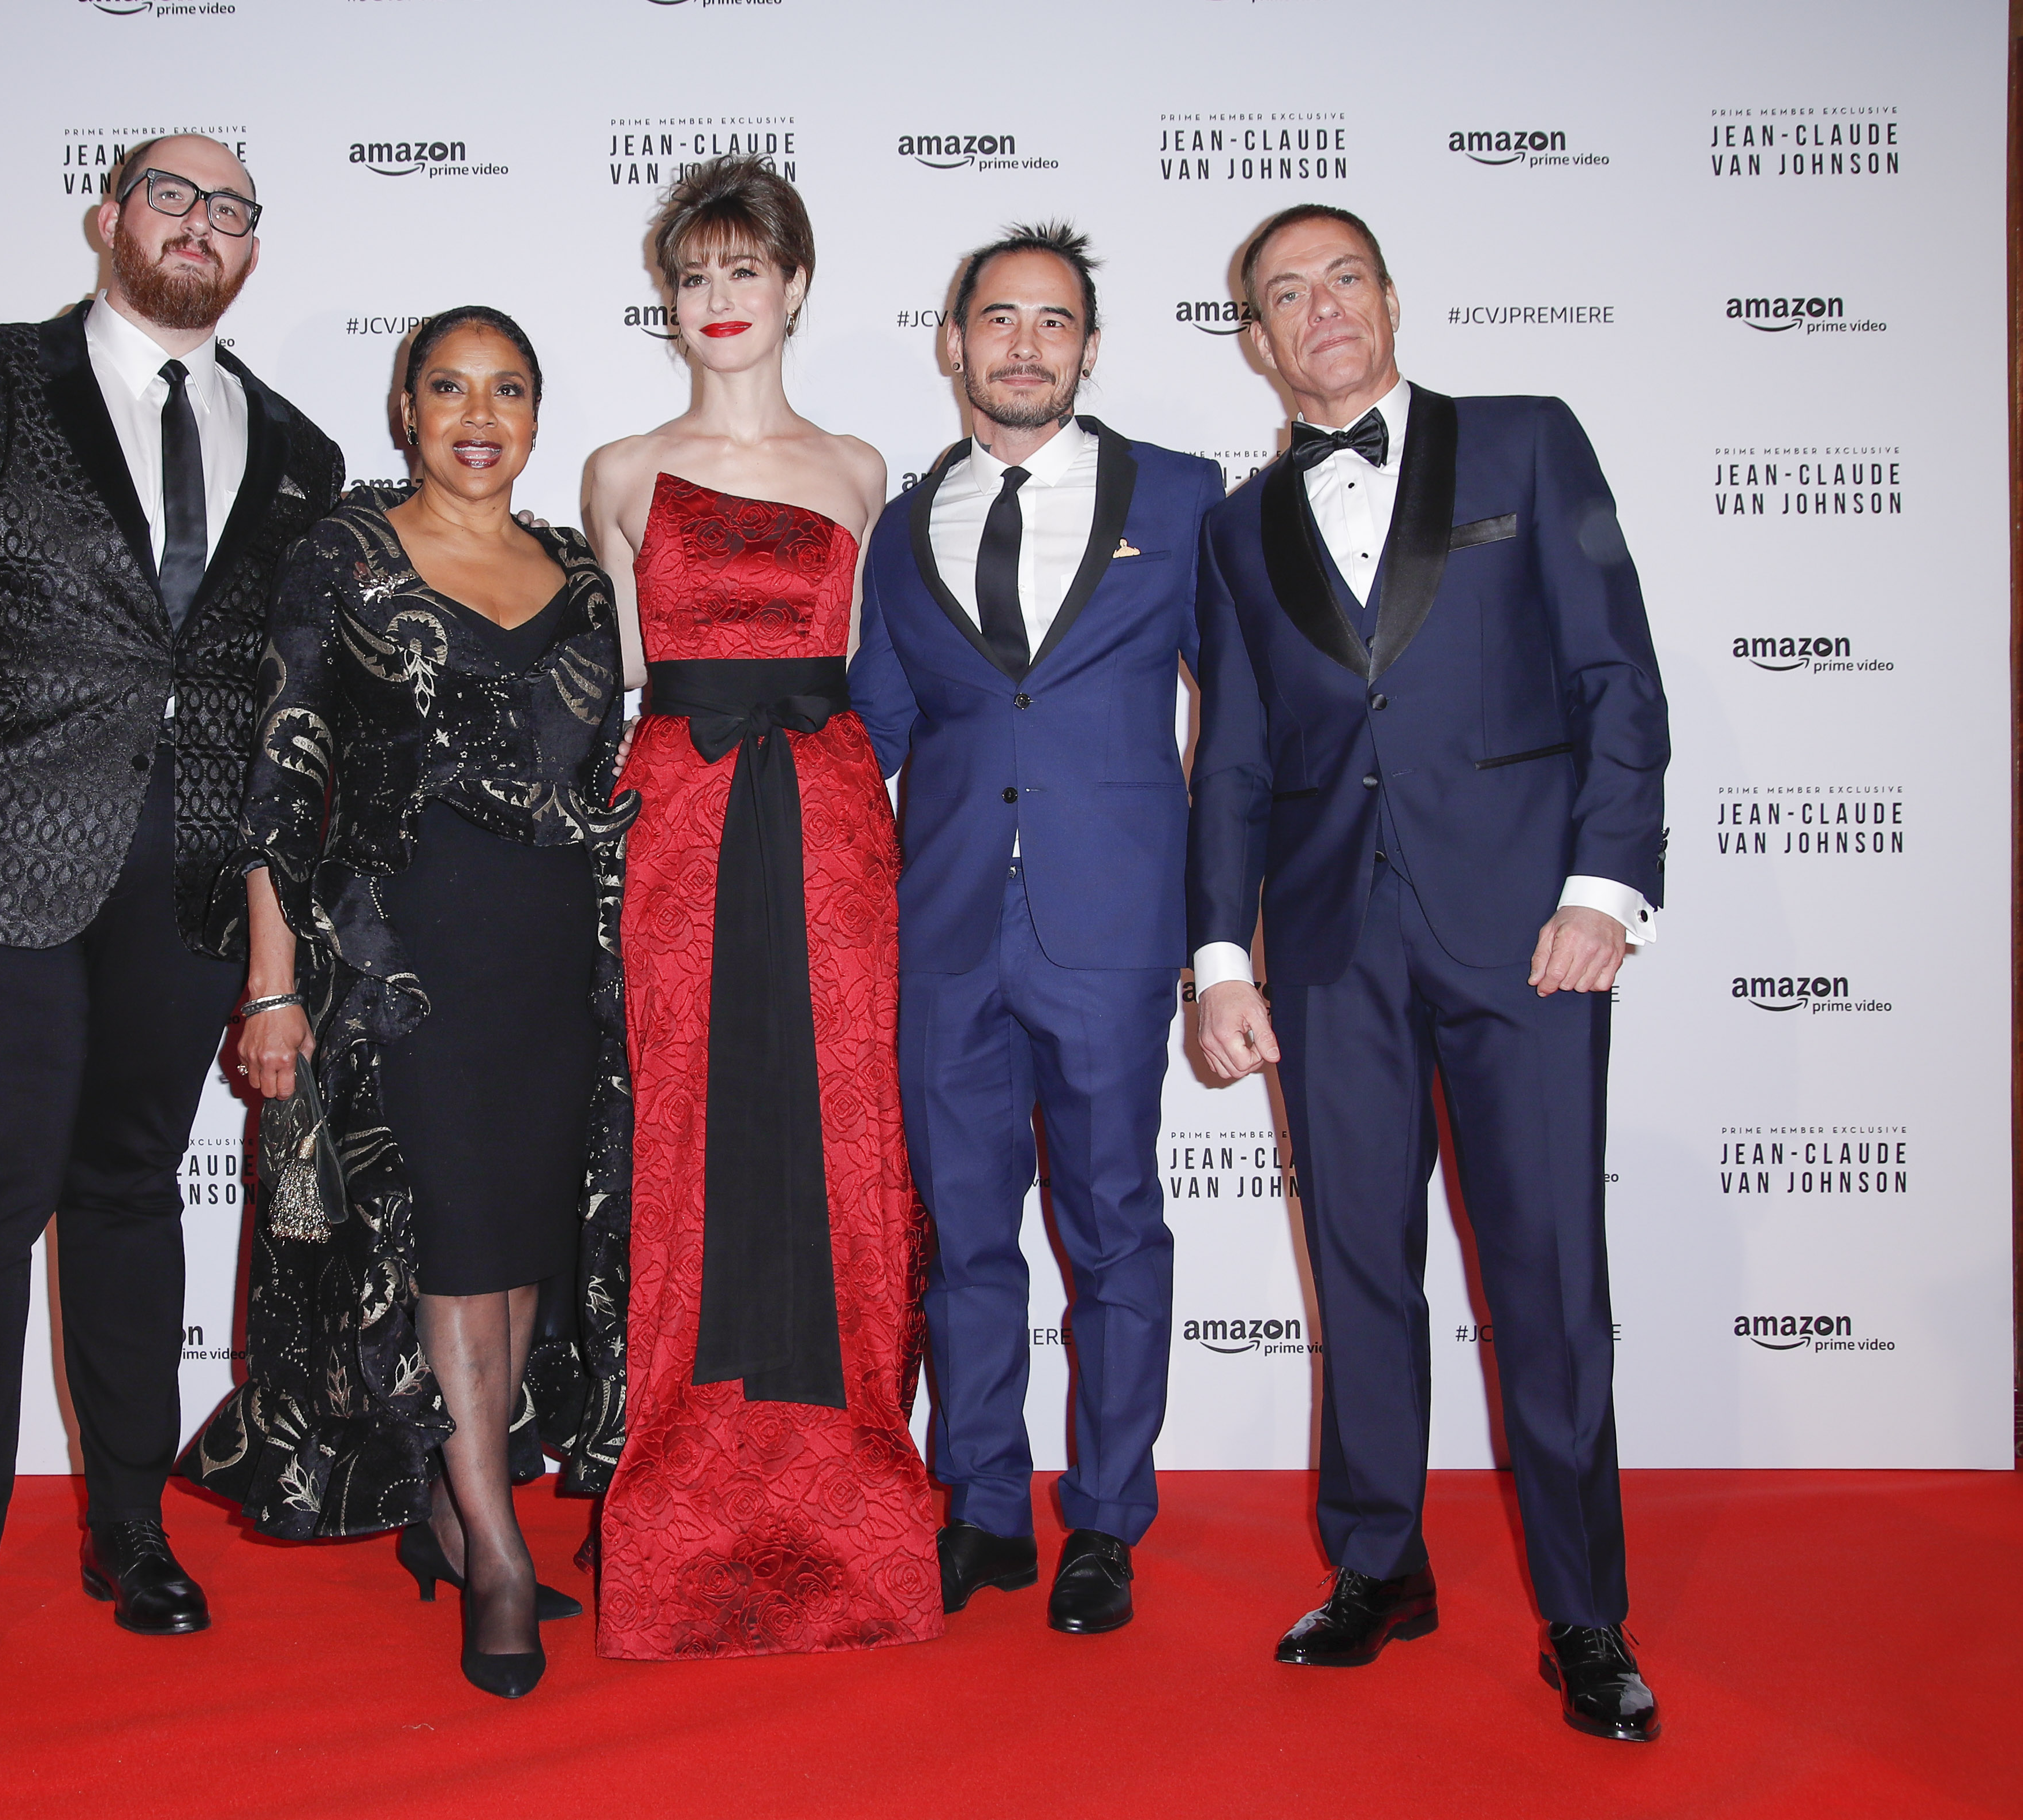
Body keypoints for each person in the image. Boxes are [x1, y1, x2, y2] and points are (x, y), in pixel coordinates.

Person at [0, 134, 341, 1697]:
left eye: (231, 208)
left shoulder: (303, 450)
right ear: (110, 216)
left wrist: (274, 943)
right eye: (172, 197)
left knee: (126, 1191)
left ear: (252, 247)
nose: (200, 225)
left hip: (179, 870)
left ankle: (130, 1528)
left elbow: (276, 705)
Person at [1187, 203, 1667, 1743]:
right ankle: (1380, 1562)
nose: (1318, 308)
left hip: (1526, 937)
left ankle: (1586, 1615)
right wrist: (1216, 954)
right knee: (1360, 1275)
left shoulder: (1525, 444)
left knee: (1545, 1281)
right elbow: (1234, 767)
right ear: (1254, 341)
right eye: (1284, 294)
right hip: (1329, 951)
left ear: (1390, 302)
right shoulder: (1232, 527)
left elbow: (1615, 676)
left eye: (1343, 279)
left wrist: (1604, 889)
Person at [180, 307, 633, 1701]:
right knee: (434, 1246)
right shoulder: (347, 554)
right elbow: (279, 768)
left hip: (551, 954)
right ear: (404, 407)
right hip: (400, 958)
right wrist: (272, 986)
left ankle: (455, 1505)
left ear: (538, 418)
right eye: (448, 386)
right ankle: (495, 1546)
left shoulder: (576, 569)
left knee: (509, 1251)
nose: (477, 413)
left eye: (508, 388)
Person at [581, 155, 942, 1661]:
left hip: (832, 827)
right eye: (693, 276)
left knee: (841, 1130)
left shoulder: (861, 467)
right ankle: (685, 1493)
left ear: (796, 286)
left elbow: (871, 673)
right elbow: (615, 689)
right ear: (666, 299)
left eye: (746, 271)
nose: (718, 302)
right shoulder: (614, 468)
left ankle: (842, 1488)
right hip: (678, 818)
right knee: (689, 1131)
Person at [848, 224, 1224, 1634]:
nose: (1022, 344)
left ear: (1086, 344)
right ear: (951, 343)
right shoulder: (900, 523)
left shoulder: (1180, 498)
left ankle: (1107, 1521)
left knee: (1112, 1223)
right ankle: (985, 1504)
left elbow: (1233, 720)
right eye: (995, 318)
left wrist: (1220, 929)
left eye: (1051, 321)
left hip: (1113, 928)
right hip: (938, 933)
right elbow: (873, 730)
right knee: (963, 1239)